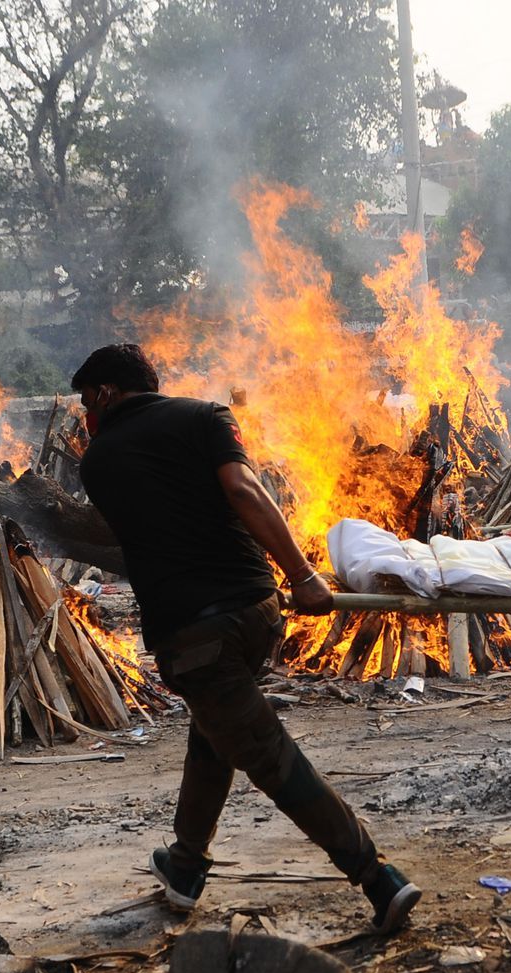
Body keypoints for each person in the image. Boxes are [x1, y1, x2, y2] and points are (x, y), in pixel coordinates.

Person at [73, 344, 421, 930]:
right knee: (214, 733)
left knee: (268, 756)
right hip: (258, 615)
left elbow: (194, 508)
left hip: (192, 636)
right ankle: (185, 865)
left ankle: (375, 876)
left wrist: (306, 576)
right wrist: (301, 577)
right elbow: (242, 490)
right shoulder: (205, 417)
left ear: (106, 394)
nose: (86, 415)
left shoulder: (98, 460)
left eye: (87, 401)